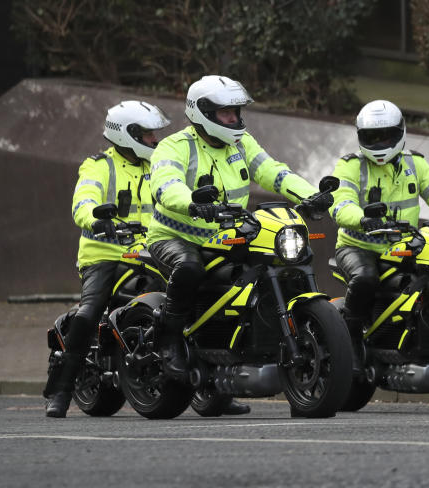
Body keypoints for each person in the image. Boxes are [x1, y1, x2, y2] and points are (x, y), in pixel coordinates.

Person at [148, 75, 333, 385]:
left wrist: (309, 195)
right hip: (176, 236)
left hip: (227, 233)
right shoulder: (174, 146)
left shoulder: (240, 142)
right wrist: (193, 202)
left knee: (273, 261)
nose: (234, 119)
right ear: (203, 112)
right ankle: (168, 341)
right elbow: (166, 184)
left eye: (236, 112)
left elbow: (272, 171)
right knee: (190, 268)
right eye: (226, 113)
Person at [45, 101, 171, 417]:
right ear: (128, 134)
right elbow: (83, 201)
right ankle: (61, 392)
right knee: (89, 313)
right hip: (103, 255)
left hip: (147, 251)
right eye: (148, 134)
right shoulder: (98, 165)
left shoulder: (159, 167)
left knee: (189, 299)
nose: (155, 140)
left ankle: (212, 392)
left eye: (155, 134)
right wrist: (96, 219)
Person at [328, 100, 429, 337]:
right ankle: (350, 341)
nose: (379, 143)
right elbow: (340, 203)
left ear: (400, 132)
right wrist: (363, 219)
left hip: (404, 246)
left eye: (386, 137)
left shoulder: (415, 163)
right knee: (365, 279)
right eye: (372, 137)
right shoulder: (351, 166)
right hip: (358, 246)